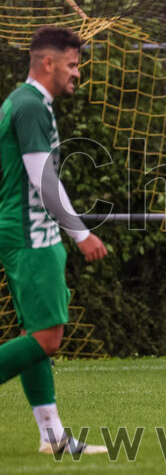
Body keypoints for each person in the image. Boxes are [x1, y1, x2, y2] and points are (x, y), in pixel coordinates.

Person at [0, 26, 109, 454]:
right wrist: (81, 233)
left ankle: (53, 438)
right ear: (48, 62)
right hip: (31, 235)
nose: (77, 73)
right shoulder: (30, 105)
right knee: (47, 337)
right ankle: (54, 437)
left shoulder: (25, 103)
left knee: (36, 335)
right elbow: (42, 177)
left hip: (26, 231)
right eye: (73, 64)